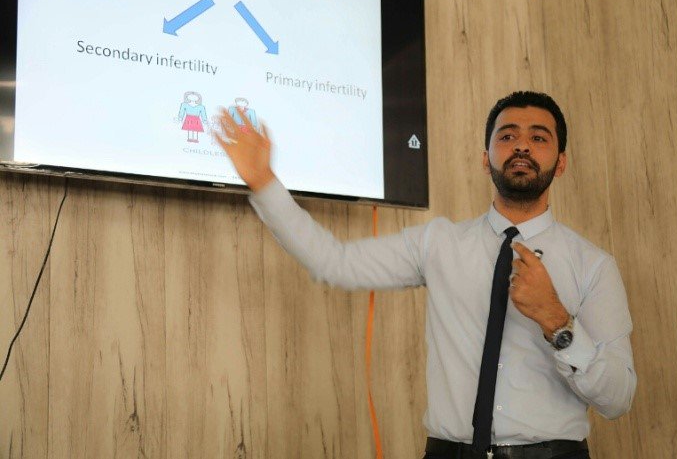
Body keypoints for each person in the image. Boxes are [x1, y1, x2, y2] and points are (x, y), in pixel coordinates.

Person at [213, 91, 636, 459]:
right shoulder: (438, 243)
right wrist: (263, 181)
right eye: (507, 136)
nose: (521, 145)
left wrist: (557, 322)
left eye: (538, 138)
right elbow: (333, 262)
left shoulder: (594, 265)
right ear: (485, 158)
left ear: (560, 163)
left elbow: (618, 399)